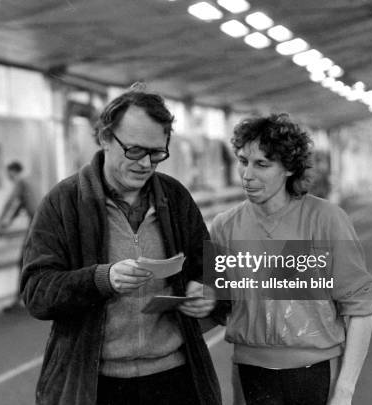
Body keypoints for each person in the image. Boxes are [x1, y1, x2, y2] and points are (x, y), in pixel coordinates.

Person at [21, 87, 222, 405]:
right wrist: (101, 279)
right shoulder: (63, 203)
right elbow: (36, 293)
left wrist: (205, 290)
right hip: (94, 385)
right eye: (135, 151)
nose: (146, 163)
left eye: (157, 153)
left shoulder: (176, 198)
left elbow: (211, 267)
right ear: (104, 138)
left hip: (174, 380)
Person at [209, 114, 372, 405]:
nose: (247, 174)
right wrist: (196, 300)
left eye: (262, 164)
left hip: (316, 374)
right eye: (242, 160)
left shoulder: (326, 220)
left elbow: (360, 308)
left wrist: (345, 390)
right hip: (250, 375)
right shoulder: (224, 226)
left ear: (288, 168)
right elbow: (216, 307)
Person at [0, 161, 38, 309]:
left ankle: (20, 298)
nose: (7, 176)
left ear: (13, 172)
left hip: (37, 225)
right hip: (43, 223)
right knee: (31, 261)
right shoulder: (30, 181)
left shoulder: (21, 181)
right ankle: (25, 296)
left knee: (24, 262)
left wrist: (0, 220)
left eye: (7, 173)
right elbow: (21, 204)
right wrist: (9, 221)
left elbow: (10, 201)